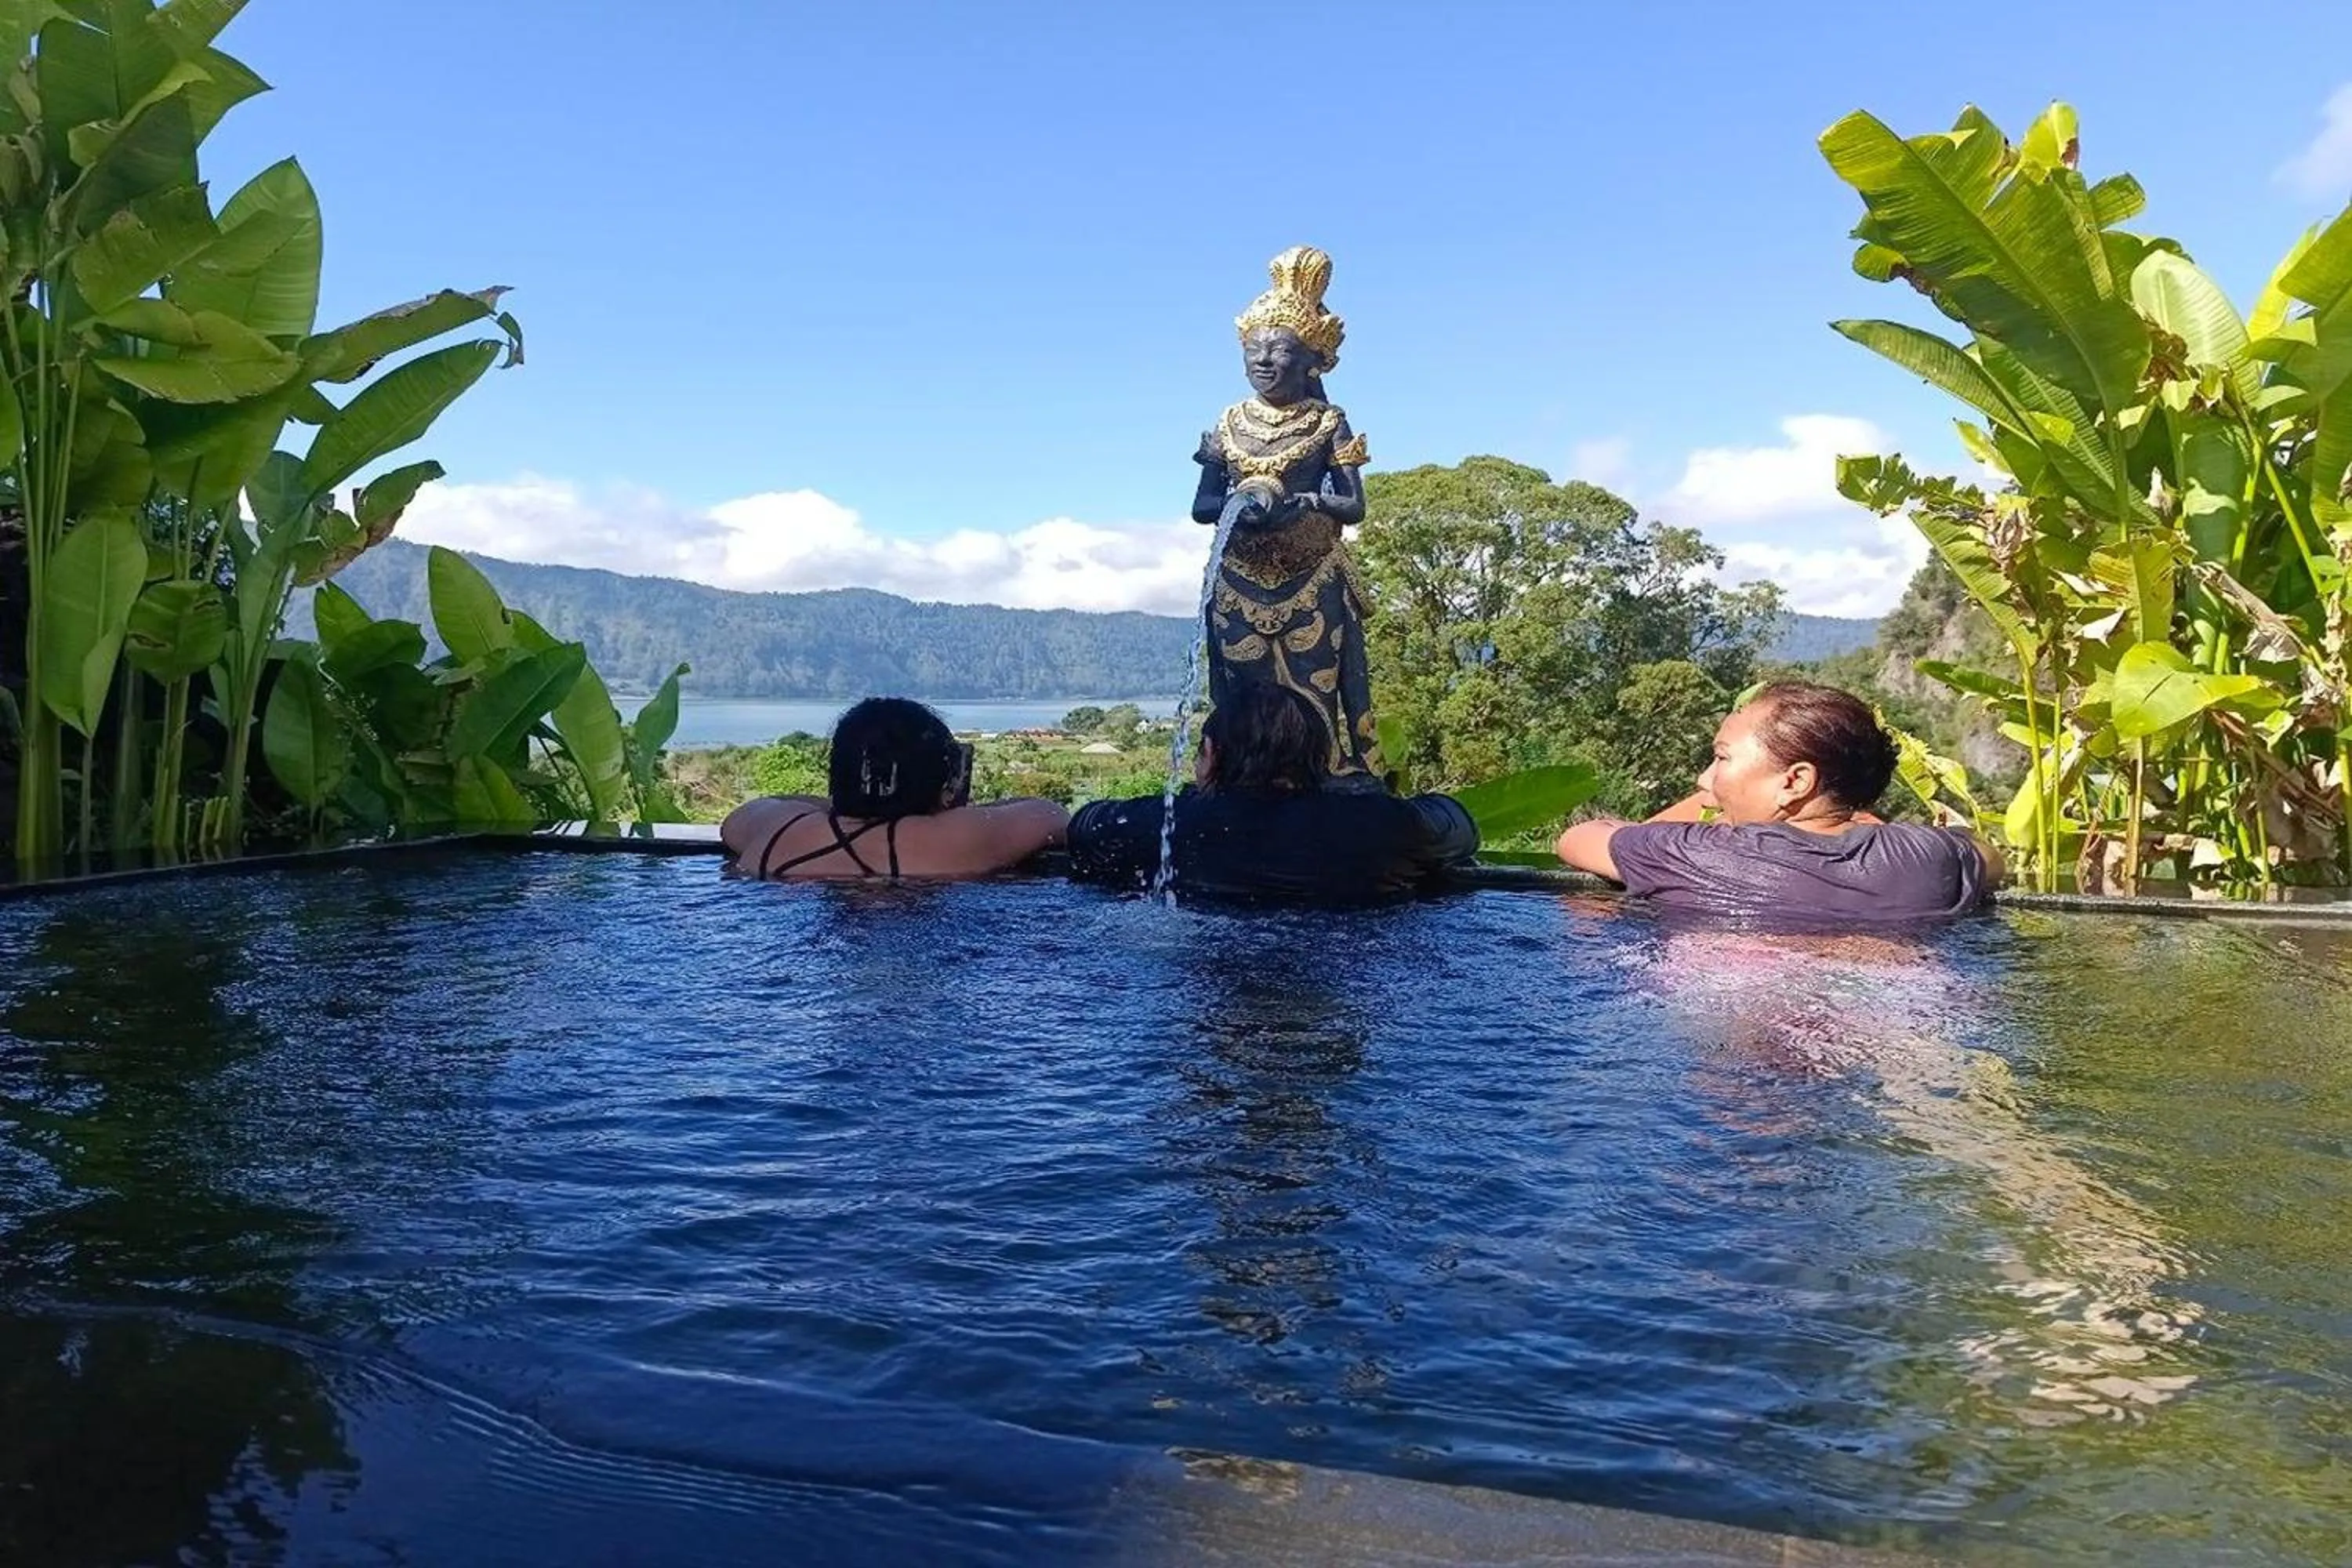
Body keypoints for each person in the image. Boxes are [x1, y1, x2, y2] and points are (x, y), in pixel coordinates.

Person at [1554, 681, 2000, 924]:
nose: (1704, 777)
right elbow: (1989, 857)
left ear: (1795, 782)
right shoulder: (1929, 856)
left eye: (1721, 758)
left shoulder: (1694, 854)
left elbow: (1577, 840)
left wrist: (1711, 812)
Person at [1066, 684, 1477, 904]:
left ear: (1210, 754)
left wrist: (1196, 798)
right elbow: (1459, 826)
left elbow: (1084, 826)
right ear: (1320, 758)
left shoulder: (1165, 824)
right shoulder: (1380, 824)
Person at [722, 698, 1067, 881]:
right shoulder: (957, 835)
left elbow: (737, 821)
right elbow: (1051, 814)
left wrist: (845, 806)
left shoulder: (781, 829)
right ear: (938, 776)